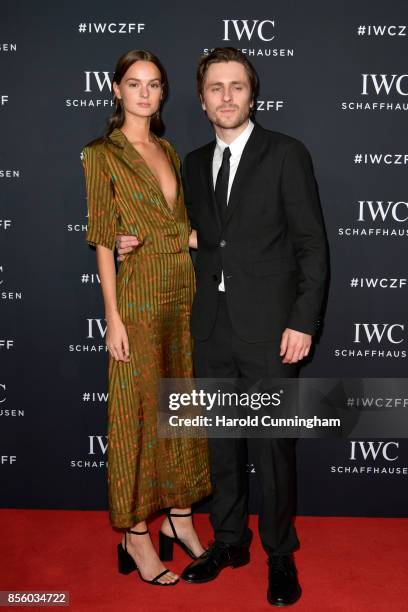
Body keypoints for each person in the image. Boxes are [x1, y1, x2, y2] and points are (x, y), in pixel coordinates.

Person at [116, 47, 329, 605]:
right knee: (222, 449)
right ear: (202, 98)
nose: (227, 97)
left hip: (271, 332)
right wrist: (127, 241)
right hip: (208, 329)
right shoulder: (189, 163)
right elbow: (188, 237)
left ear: (251, 94)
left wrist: (303, 321)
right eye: (216, 88)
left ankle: (280, 554)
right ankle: (230, 540)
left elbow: (311, 245)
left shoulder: (287, 154)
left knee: (273, 452)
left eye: (236, 86)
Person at [81, 49, 211, 587]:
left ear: (163, 94)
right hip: (135, 299)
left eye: (154, 85)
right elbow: (102, 241)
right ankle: (135, 533)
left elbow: (182, 228)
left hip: (180, 292)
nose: (144, 93)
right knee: (136, 417)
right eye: (134, 84)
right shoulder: (101, 154)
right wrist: (111, 316)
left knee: (177, 407)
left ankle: (179, 516)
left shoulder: (168, 148)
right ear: (116, 90)